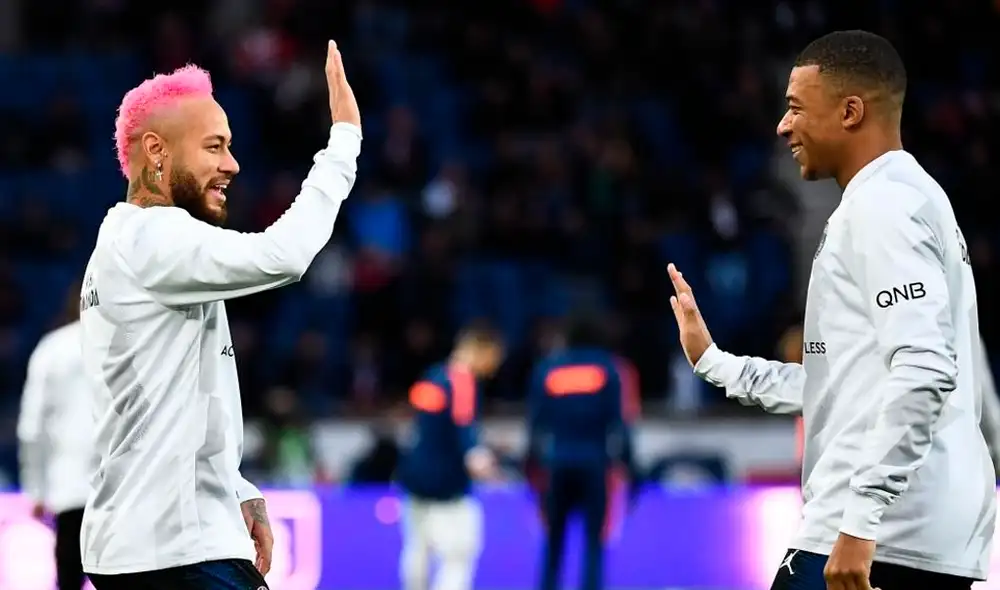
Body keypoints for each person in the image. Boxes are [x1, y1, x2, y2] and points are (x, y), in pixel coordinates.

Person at [669, 30, 991, 590]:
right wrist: (714, 362)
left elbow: (924, 370)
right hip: (908, 536)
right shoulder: (908, 198)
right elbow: (843, 386)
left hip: (878, 541)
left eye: (795, 107)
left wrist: (860, 523)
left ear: (850, 111)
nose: (782, 126)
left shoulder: (884, 206)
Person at [77, 40, 362, 590]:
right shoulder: (151, 237)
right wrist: (343, 142)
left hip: (149, 543)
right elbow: (283, 255)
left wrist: (233, 488)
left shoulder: (131, 246)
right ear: (156, 151)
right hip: (178, 553)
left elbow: (174, 402)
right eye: (214, 147)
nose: (231, 164)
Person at [526, 316, 638, 590]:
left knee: (553, 544)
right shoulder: (608, 369)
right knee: (593, 544)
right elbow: (619, 424)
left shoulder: (549, 368)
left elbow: (536, 425)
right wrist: (630, 466)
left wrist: (530, 466)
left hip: (557, 466)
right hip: (594, 466)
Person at [395, 322, 505, 590]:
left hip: (414, 476)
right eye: (493, 357)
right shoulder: (463, 382)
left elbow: (426, 426)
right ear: (481, 350)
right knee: (459, 555)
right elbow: (466, 436)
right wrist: (492, 470)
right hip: (447, 485)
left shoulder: (432, 376)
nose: (494, 367)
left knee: (417, 550)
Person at [17, 283, 96, 589]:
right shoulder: (130, 345)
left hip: (70, 487)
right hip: (121, 490)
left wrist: (35, 488)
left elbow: (32, 425)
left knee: (69, 579)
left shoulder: (52, 348)